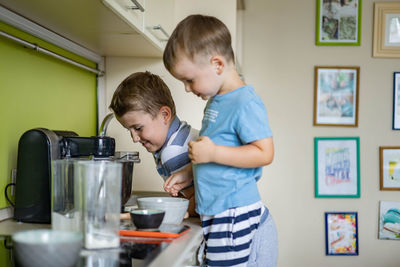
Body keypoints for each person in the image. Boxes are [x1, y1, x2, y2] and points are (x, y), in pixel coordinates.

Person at [162, 15, 278, 267]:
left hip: (233, 212)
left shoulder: (244, 102)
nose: (187, 88)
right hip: (217, 210)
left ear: (217, 64)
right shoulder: (217, 102)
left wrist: (212, 154)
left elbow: (264, 153)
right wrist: (188, 172)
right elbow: (215, 152)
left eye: (189, 79)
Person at [109, 71, 199, 217]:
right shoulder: (181, 136)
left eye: (138, 128)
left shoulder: (174, 153)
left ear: (164, 115)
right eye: (129, 130)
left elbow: (199, 201)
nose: (134, 138)